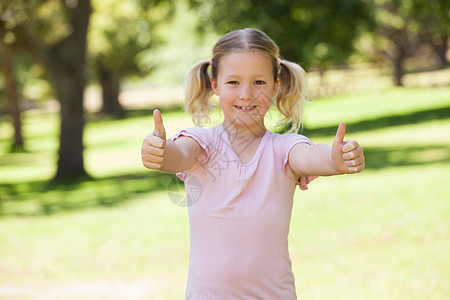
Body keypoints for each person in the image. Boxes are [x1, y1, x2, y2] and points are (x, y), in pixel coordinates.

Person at [141, 28, 365, 299]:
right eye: (233, 82)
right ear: (214, 84)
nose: (246, 94)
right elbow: (177, 155)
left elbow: (311, 156)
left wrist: (334, 159)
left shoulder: (283, 148)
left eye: (258, 82)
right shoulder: (201, 144)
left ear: (275, 83)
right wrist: (159, 152)